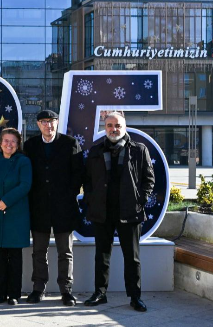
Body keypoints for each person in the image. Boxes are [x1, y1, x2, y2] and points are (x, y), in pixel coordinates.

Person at [81, 112, 154, 312]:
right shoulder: (96, 150)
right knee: (101, 256)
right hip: (102, 212)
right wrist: (90, 199)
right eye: (110, 125)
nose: (114, 129)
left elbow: (149, 179)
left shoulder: (139, 150)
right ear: (105, 127)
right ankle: (100, 293)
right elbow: (87, 180)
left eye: (118, 125)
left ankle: (135, 296)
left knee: (132, 257)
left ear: (124, 126)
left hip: (130, 211)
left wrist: (141, 200)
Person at [23, 110, 83, 306]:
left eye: (52, 121)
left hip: (63, 207)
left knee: (65, 251)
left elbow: (78, 175)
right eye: (44, 122)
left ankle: (66, 291)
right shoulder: (30, 145)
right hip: (38, 207)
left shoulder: (70, 143)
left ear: (57, 123)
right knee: (39, 251)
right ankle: (38, 289)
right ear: (38, 124)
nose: (48, 125)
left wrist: (68, 196)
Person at [0, 128, 32, 306]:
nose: (9, 144)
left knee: (14, 257)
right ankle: (0, 293)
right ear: (0, 143)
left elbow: (25, 185)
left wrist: (6, 201)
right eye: (6, 140)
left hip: (16, 215)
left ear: (18, 144)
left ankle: (14, 294)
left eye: (13, 141)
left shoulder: (23, 161)